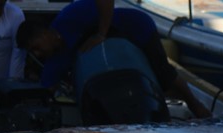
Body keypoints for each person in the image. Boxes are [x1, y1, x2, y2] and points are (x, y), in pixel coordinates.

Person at [16, 0, 212, 119]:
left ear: (45, 33)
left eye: (36, 47)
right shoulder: (54, 61)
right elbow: (44, 91)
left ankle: (197, 106)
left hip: (137, 28)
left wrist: (102, 33)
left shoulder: (69, 17)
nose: (38, 54)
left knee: (165, 76)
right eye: (33, 52)